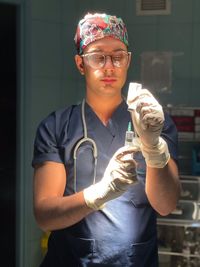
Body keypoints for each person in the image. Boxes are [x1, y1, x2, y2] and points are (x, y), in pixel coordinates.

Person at [32, 12, 181, 267]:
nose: (109, 66)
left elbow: (166, 205)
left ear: (128, 60)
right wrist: (98, 194)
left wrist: (154, 147)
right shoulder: (56, 127)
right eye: (98, 57)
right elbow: (45, 215)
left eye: (117, 56)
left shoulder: (154, 122)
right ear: (81, 64)